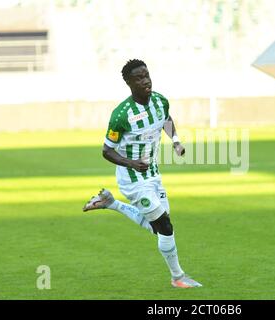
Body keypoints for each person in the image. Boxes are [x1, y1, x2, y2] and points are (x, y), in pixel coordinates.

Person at [82, 59, 202, 289]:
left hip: (154, 174)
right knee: (164, 226)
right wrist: (132, 163)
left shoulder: (159, 100)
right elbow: (107, 151)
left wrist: (176, 142)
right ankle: (178, 277)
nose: (145, 80)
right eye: (138, 78)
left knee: (159, 226)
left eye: (146, 75)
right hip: (133, 180)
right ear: (128, 83)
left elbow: (166, 119)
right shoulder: (121, 115)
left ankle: (110, 203)